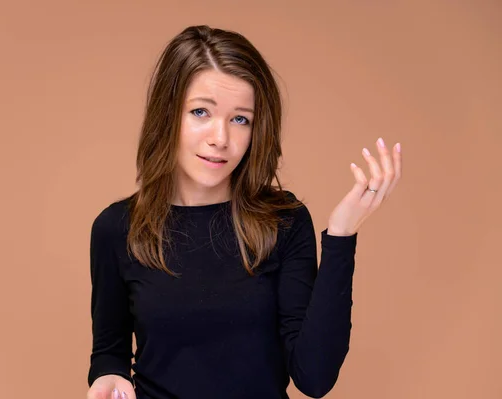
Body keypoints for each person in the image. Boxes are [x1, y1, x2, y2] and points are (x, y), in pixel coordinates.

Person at [86, 25, 402, 399]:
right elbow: (110, 353)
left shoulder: (284, 221)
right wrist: (106, 378)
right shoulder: (116, 228)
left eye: (240, 119)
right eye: (201, 112)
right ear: (167, 114)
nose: (220, 138)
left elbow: (314, 377)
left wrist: (341, 236)